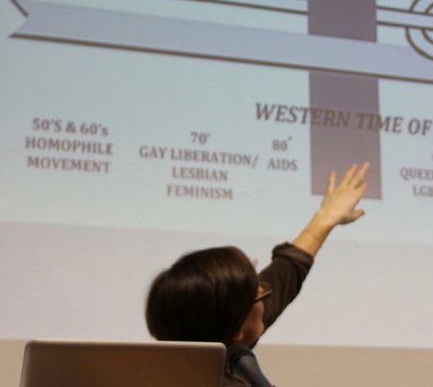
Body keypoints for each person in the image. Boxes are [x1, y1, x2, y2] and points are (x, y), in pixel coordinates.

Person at [145, 162, 369, 386]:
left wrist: (326, 218)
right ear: (237, 334)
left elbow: (287, 269)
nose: (264, 290)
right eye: (258, 295)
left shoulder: (214, 342)